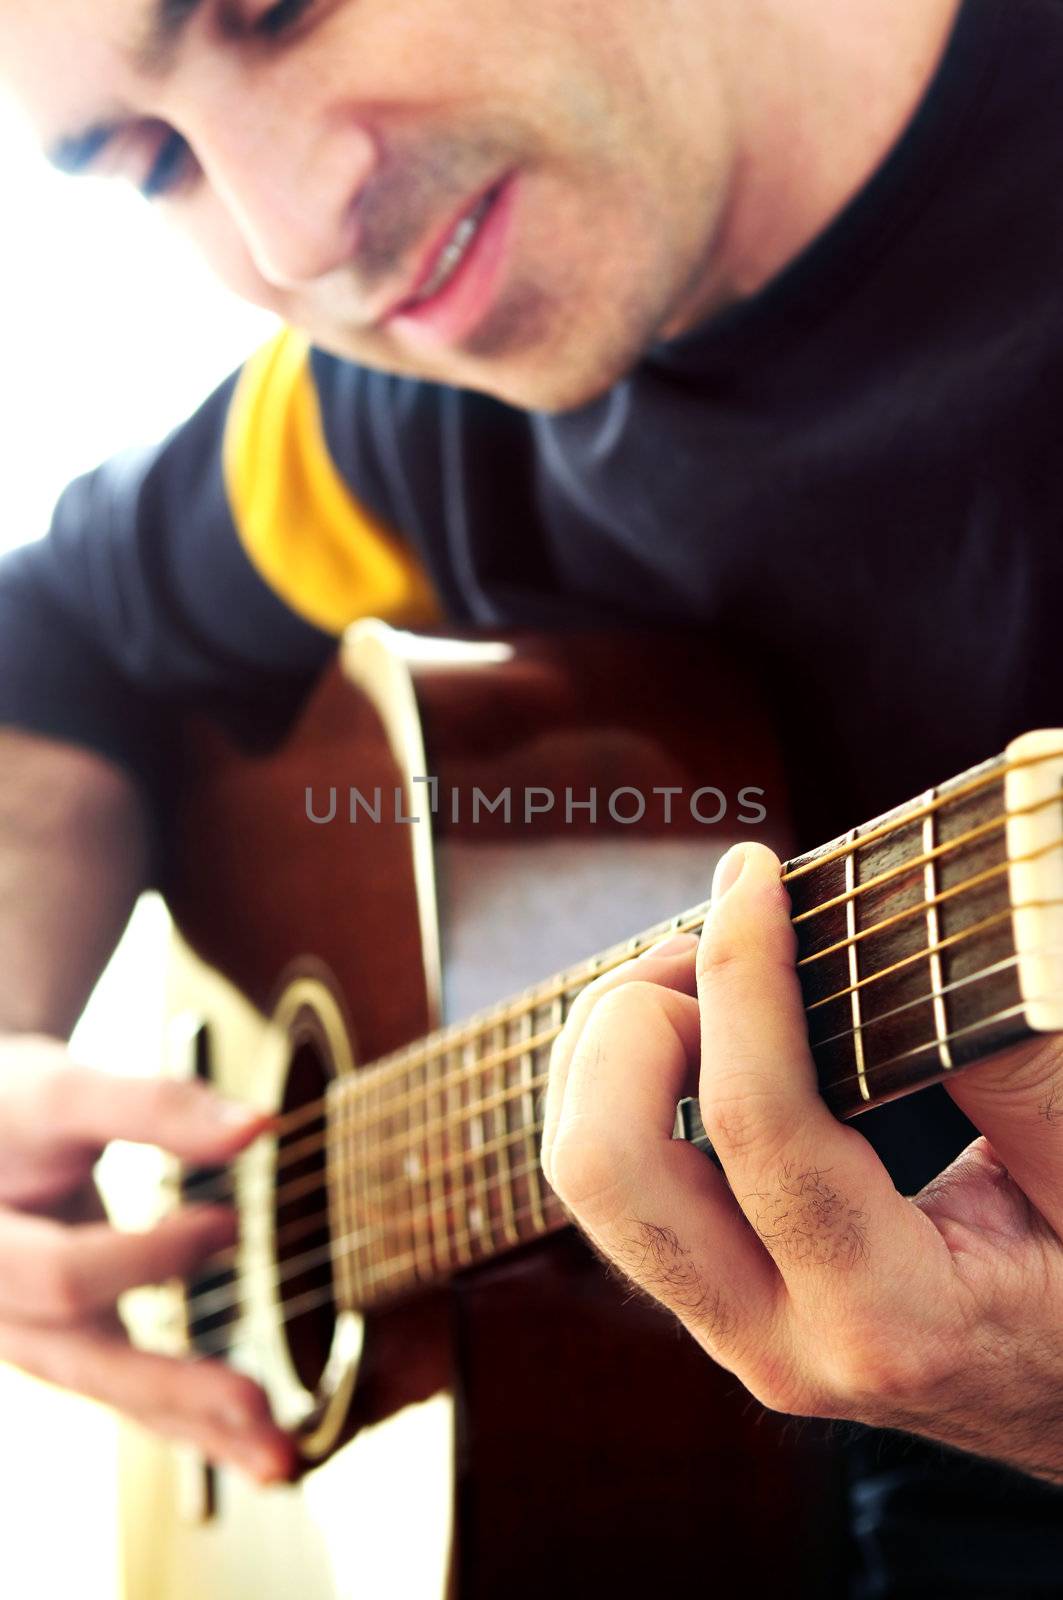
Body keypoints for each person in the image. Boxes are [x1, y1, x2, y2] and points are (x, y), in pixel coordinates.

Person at [1, 0, 1062, 1587]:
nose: (292, 242)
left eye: (281, 11)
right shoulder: (409, 408)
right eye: (145, 160)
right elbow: (55, 647)